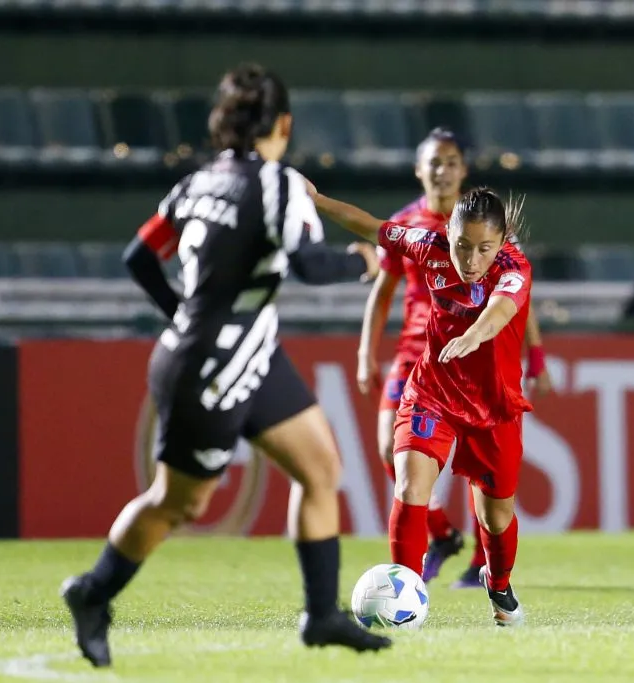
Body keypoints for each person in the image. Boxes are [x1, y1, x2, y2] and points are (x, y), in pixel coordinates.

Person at [59, 62, 392, 668]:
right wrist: (363, 261)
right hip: (213, 372)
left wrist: (183, 319)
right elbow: (310, 267)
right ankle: (93, 591)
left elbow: (140, 256)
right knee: (178, 503)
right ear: (284, 124)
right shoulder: (280, 185)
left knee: (321, 469)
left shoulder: (196, 185)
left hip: (243, 356)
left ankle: (321, 615)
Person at [311, 181, 532, 627]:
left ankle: (499, 583)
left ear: (502, 241)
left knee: (495, 517)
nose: (471, 261)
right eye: (462, 246)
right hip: (433, 392)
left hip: (492, 407)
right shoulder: (426, 246)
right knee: (410, 487)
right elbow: (370, 226)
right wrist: (314, 200)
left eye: (484, 248)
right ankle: (405, 594)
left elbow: (502, 311)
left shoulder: (514, 266)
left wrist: (471, 336)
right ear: (447, 232)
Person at [357, 128, 552, 589]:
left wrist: (536, 355)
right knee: (392, 448)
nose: (442, 171)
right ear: (418, 169)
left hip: (477, 355)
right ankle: (441, 534)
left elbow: (518, 301)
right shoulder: (410, 225)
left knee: (482, 474)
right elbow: (383, 292)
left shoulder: (487, 229)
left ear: (464, 170)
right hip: (419, 352)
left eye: (451, 162)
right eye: (434, 162)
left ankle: (481, 565)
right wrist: (367, 351)